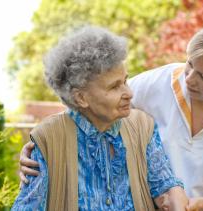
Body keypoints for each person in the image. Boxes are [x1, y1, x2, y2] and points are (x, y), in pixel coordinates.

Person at [19, 22, 203, 210]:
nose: (188, 78)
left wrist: (196, 204)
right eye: (190, 64)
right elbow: (89, 103)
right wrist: (44, 146)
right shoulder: (158, 82)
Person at [12, 25, 188, 211]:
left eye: (125, 81)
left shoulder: (143, 127)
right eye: (114, 87)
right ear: (81, 98)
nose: (129, 93)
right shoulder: (49, 138)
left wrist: (172, 195)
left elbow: (164, 184)